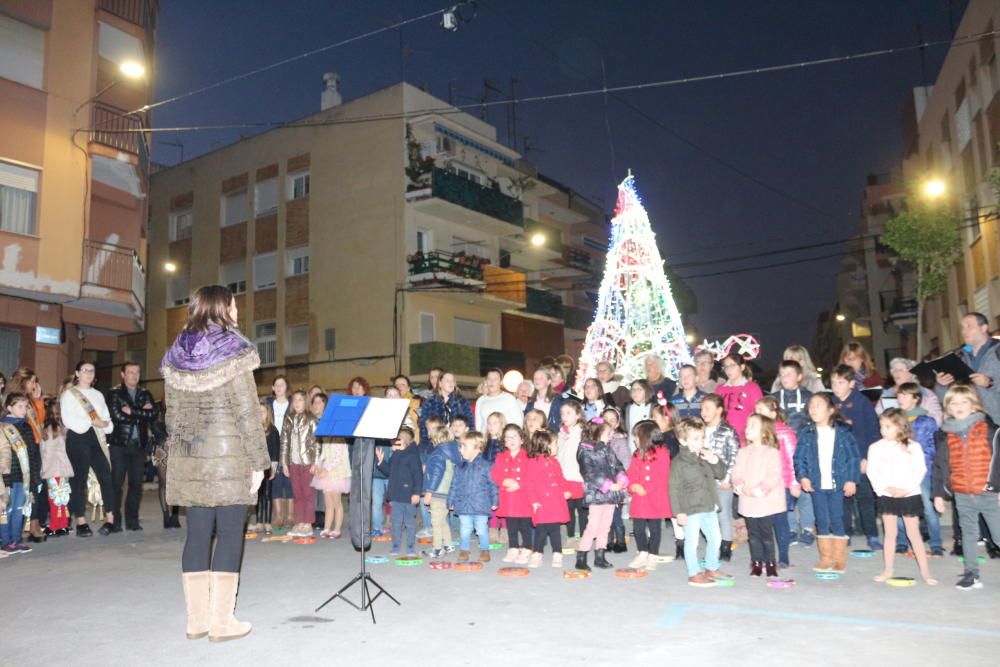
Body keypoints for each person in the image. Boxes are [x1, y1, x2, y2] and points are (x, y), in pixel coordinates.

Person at [160, 284, 269, 642]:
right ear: (222, 307)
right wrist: (259, 462)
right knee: (229, 536)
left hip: (191, 458)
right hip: (229, 457)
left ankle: (197, 620)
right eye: (234, 304)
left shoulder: (178, 351)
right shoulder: (232, 348)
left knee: (196, 535)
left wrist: (177, 457)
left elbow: (172, 417)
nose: (237, 310)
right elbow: (247, 413)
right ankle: (222, 623)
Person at [932, 385, 1000, 590]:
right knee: (968, 534)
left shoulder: (990, 430)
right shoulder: (945, 435)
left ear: (973, 405)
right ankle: (972, 573)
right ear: (948, 408)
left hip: (988, 493)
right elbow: (939, 465)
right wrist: (938, 495)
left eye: (964, 402)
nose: (959, 406)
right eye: (954, 403)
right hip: (962, 493)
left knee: (998, 535)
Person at [867, 408, 937, 586]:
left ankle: (926, 571)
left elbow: (920, 469)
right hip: (887, 495)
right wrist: (883, 489)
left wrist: (906, 488)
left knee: (913, 533)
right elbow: (872, 471)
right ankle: (888, 569)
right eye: (881, 426)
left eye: (888, 426)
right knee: (890, 533)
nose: (883, 430)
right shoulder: (875, 447)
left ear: (900, 426)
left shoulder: (913, 447)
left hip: (909, 494)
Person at [793, 393, 861, 575]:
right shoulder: (806, 432)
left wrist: (851, 479)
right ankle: (825, 558)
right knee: (821, 521)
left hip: (838, 483)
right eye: (811, 405)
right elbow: (799, 458)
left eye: (818, 405)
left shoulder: (843, 431)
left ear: (831, 410)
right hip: (817, 484)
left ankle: (839, 559)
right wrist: (803, 477)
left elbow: (853, 457)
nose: (813, 409)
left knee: (837, 519)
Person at [670, 417, 730, 587]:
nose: (700, 442)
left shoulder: (705, 456)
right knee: (692, 542)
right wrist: (678, 512)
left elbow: (721, 473)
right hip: (690, 509)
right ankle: (694, 573)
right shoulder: (678, 463)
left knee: (716, 538)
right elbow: (673, 489)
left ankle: (711, 567)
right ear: (683, 440)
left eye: (702, 437)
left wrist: (714, 460)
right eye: (695, 439)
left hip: (708, 506)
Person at [60, 361, 115, 537]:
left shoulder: (98, 394)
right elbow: (68, 420)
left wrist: (105, 424)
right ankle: (81, 521)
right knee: (79, 480)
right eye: (85, 371)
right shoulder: (69, 394)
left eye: (92, 371)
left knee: (106, 475)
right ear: (77, 373)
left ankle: (110, 519)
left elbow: (106, 419)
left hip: (96, 438)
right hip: (78, 438)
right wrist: (92, 421)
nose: (89, 374)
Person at [831, 364, 882, 550]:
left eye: (841, 382)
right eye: (833, 382)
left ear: (851, 383)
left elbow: (873, 432)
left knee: (865, 499)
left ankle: (872, 535)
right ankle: (845, 532)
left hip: (860, 458)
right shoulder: (831, 404)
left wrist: (867, 458)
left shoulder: (861, 402)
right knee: (843, 499)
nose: (836, 386)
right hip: (839, 461)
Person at [732, 414, 786, 578]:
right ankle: (756, 562)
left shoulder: (772, 453)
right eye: (747, 425)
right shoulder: (742, 452)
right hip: (748, 501)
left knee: (766, 534)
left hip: (765, 501)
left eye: (752, 426)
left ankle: (770, 562)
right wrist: (740, 485)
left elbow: (773, 475)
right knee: (753, 534)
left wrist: (758, 490)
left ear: (764, 433)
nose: (747, 428)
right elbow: (737, 471)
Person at [894, 383, 943, 557]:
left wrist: (915, 455)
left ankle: (936, 543)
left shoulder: (927, 421)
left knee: (928, 508)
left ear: (916, 399)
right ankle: (901, 541)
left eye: (905, 396)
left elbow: (933, 447)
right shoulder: (895, 420)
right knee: (899, 507)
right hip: (899, 472)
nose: (900, 399)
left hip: (921, 472)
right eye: (899, 396)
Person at [107, 362, 157, 532]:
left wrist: (132, 411)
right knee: (116, 484)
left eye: (137, 372)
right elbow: (117, 416)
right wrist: (140, 412)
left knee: (136, 485)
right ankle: (115, 521)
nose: (134, 375)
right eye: (130, 372)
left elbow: (152, 414)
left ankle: (132, 521)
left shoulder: (145, 393)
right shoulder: (114, 393)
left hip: (139, 446)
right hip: (119, 445)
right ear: (123, 374)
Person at [574, 419, 627, 571]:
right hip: (597, 494)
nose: (611, 436)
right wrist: (609, 485)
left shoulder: (608, 449)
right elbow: (590, 473)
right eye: (608, 433)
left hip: (610, 495)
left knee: (605, 526)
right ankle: (581, 555)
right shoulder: (585, 450)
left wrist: (621, 478)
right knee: (593, 526)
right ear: (597, 433)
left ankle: (600, 556)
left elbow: (617, 465)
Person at [754, 397, 798, 568]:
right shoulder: (755, 435)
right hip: (762, 484)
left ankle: (784, 557)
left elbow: (792, 459)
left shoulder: (785, 433)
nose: (758, 415)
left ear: (773, 414)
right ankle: (766, 556)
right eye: (756, 412)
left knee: (781, 521)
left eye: (762, 412)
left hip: (781, 485)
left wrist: (794, 483)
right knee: (763, 522)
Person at [934, 312, 1000, 424]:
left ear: (984, 328)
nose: (964, 331)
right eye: (962, 328)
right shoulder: (958, 356)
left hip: (996, 421)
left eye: (969, 326)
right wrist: (941, 385)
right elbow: (943, 398)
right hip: (968, 424)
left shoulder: (997, 350)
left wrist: (990, 383)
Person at [7, 368, 46, 541]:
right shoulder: (14, 399)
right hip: (19, 449)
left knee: (35, 486)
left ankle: (33, 524)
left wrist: (38, 401)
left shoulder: (30, 400)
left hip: (34, 446)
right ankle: (30, 525)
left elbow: (39, 420)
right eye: (32, 381)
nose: (35, 385)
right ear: (23, 382)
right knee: (27, 488)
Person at [627, 420, 671, 570]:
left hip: (654, 497)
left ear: (646, 437)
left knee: (654, 528)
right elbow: (631, 472)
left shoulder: (662, 452)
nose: (634, 440)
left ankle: (653, 554)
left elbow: (662, 476)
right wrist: (631, 485)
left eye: (637, 436)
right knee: (638, 528)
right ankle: (643, 552)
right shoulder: (636, 454)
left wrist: (647, 488)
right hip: (639, 498)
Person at [448, 431, 499, 563]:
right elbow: (454, 484)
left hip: (481, 504)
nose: (460, 449)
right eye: (460, 446)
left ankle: (484, 549)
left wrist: (495, 500)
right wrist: (451, 500)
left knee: (482, 529)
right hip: (463, 504)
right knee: (464, 529)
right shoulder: (459, 467)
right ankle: (464, 550)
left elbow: (493, 485)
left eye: (464, 446)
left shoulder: (486, 466)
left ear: (477, 448)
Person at [700, 394, 739, 561]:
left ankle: (726, 546)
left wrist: (727, 479)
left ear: (719, 410)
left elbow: (734, 456)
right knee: (707, 513)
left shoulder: (728, 431)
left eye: (707, 408)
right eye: (702, 408)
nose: (703, 412)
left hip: (721, 480)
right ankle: (713, 544)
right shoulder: (700, 429)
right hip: (704, 480)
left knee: (723, 514)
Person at [524, 429, 571, 568]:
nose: (557, 447)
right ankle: (537, 552)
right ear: (545, 445)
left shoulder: (555, 462)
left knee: (555, 528)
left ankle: (557, 552)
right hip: (542, 503)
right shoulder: (533, 463)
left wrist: (566, 490)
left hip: (556, 501)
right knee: (541, 529)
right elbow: (529, 483)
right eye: (555, 444)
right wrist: (533, 501)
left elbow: (561, 479)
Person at [1, 393, 40, 554]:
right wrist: (6, 477)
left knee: (20, 508)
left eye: (26, 406)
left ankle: (17, 538)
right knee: (6, 509)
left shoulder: (27, 426)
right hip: (9, 475)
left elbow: (32, 453)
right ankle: (5, 540)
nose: (24, 410)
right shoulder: (4, 427)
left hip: (24, 475)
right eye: (20, 407)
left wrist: (34, 477)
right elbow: (4, 454)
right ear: (9, 407)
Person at [375, 426, 422, 558]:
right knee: (396, 523)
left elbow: (418, 476)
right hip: (396, 495)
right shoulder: (396, 454)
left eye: (396, 441)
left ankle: (411, 546)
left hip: (409, 496)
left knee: (410, 523)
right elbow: (389, 471)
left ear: (404, 442)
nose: (392, 443)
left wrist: (416, 493)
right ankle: (396, 545)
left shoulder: (413, 456)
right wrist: (381, 462)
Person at [279, 390, 319, 538]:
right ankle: (299, 521)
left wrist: (315, 463)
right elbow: (284, 442)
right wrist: (284, 463)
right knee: (297, 494)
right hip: (293, 463)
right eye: (294, 400)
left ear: (306, 402)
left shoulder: (311, 419)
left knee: (308, 493)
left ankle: (308, 523)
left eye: (300, 400)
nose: (297, 403)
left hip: (307, 462)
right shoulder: (288, 419)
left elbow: (317, 443)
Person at [310, 393, 350, 539]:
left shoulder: (339, 437)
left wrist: (327, 470)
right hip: (326, 472)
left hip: (337, 473)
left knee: (337, 502)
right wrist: (318, 466)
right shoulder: (326, 437)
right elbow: (323, 454)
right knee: (328, 504)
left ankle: (337, 528)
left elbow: (338, 458)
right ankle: (327, 527)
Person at [492, 424, 533, 564]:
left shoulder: (528, 456)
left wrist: (519, 484)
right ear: (504, 441)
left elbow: (532, 477)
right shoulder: (500, 456)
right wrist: (503, 481)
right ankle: (513, 548)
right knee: (512, 526)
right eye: (507, 437)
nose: (511, 440)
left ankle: (527, 548)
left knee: (525, 525)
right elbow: (495, 474)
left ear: (522, 440)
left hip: (524, 499)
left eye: (514, 436)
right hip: (508, 499)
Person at [421, 419, 460, 559]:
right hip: (447, 492)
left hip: (438, 492)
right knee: (442, 520)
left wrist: (429, 492)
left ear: (436, 439)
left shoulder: (438, 454)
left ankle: (437, 549)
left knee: (436, 522)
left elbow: (436, 475)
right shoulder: (453, 451)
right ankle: (448, 545)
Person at [715, 351, 764, 446]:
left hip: (745, 439)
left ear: (742, 367)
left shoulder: (752, 387)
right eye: (725, 366)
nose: (728, 370)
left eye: (732, 365)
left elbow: (759, 414)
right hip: (723, 439)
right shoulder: (720, 389)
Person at [40, 400, 73, 536]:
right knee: (63, 497)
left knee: (54, 498)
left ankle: (55, 525)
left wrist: (44, 469)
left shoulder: (49, 429)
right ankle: (63, 525)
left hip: (53, 468)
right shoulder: (62, 427)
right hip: (63, 468)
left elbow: (47, 452)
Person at [556, 400, 587, 544]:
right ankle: (570, 536)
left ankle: (582, 536)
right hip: (564, 477)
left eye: (568, 413)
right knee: (568, 508)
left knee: (581, 509)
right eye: (562, 413)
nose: (564, 416)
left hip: (578, 476)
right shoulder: (561, 433)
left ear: (578, 415)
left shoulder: (582, 432)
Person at [267, 376, 293, 531]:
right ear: (272, 387)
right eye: (276, 384)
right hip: (273, 446)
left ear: (286, 387)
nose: (279, 387)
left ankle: (290, 515)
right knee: (275, 480)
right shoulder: (269, 404)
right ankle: (277, 516)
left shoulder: (291, 404)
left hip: (289, 447)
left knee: (289, 481)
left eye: (282, 384)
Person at [882, 358, 943, 425]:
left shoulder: (927, 394)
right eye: (894, 370)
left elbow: (938, 420)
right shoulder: (886, 394)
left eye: (900, 370)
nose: (896, 373)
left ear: (911, 373)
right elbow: (879, 417)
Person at [419, 371, 472, 444]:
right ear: (440, 383)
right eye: (447, 380)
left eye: (453, 381)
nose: (451, 383)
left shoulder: (462, 402)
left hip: (457, 443)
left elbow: (470, 424)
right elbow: (423, 426)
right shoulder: (430, 402)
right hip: (435, 443)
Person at [252, 401, 280, 535]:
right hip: (256, 466)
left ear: (267, 414)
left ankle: (267, 522)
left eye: (262, 412)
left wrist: (274, 468)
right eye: (258, 412)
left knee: (268, 495)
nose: (260, 414)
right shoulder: (254, 430)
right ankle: (259, 522)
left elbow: (275, 451)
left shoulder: (273, 431)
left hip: (268, 467)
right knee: (258, 495)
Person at [772, 360, 813, 434]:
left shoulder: (808, 397)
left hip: (801, 439)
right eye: (782, 374)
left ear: (799, 377)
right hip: (780, 439)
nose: (784, 377)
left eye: (788, 375)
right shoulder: (774, 398)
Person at [525, 366, 564, 431]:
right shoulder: (531, 402)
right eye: (535, 378)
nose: (537, 380)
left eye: (541, 378)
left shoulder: (557, 400)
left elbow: (560, 422)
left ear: (549, 381)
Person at [624, 379, 654, 451]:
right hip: (632, 446)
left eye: (639, 389)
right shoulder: (628, 408)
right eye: (633, 389)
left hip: (649, 447)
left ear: (647, 391)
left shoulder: (653, 408)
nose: (635, 392)